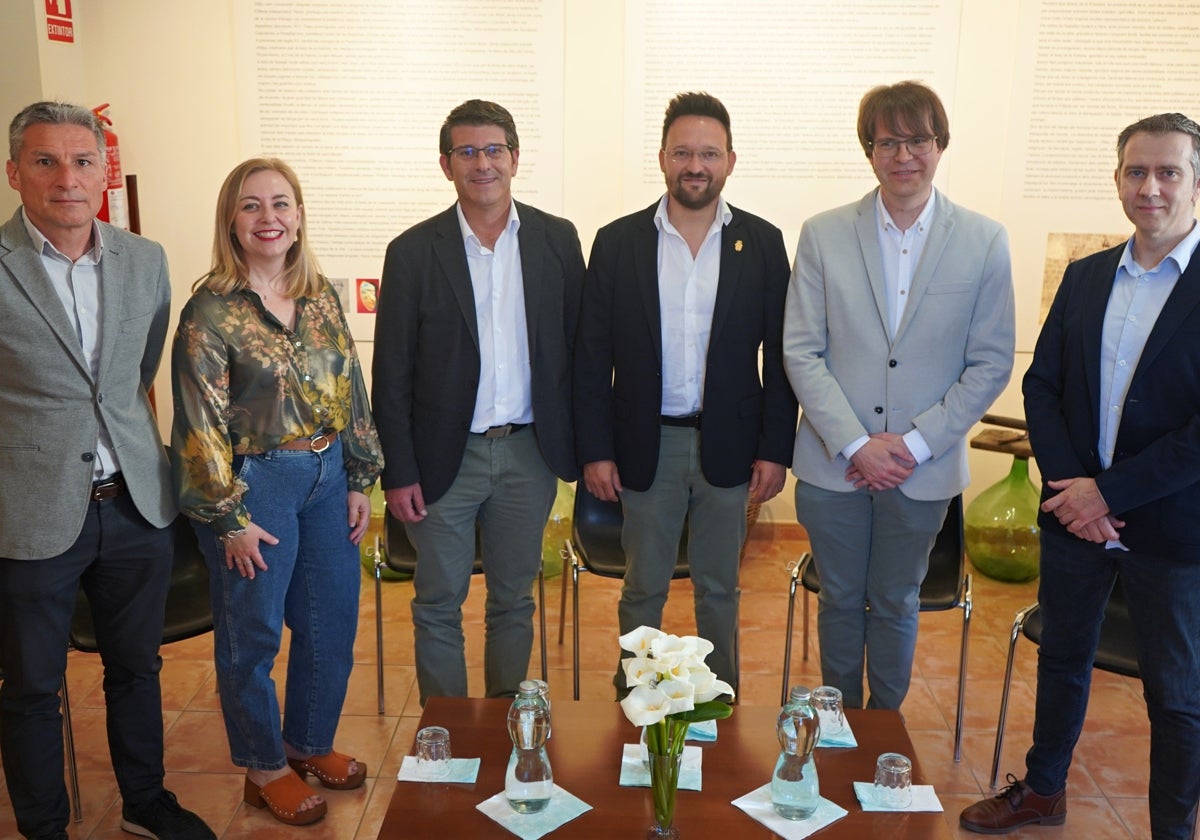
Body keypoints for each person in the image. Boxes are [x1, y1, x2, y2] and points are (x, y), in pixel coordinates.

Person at [961, 113, 1200, 839]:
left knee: (1178, 696)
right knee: (1064, 658)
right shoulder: (1087, 276)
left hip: (1172, 529)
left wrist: (1111, 493)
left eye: (1168, 172)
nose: (1150, 187)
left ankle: (1171, 829)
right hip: (1074, 518)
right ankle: (1043, 790)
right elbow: (1044, 388)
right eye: (1136, 171)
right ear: (1119, 180)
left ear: (1195, 182)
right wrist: (1075, 492)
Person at [0, 102, 214, 840]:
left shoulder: (144, 259)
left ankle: (144, 804)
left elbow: (135, 374)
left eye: (83, 162)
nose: (67, 179)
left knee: (136, 668)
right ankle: (44, 828)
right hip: (30, 513)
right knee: (29, 687)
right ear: (14, 172)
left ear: (104, 172)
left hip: (133, 505)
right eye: (46, 161)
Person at [784, 81, 1014, 710]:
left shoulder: (984, 240)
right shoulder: (823, 234)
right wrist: (856, 443)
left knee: (894, 601)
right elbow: (801, 349)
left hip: (925, 468)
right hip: (836, 467)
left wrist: (913, 443)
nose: (904, 154)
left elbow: (990, 361)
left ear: (940, 146)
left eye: (919, 139)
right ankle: (834, 729)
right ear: (870, 150)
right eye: (889, 141)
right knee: (837, 599)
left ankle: (884, 730)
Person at [171, 157, 384, 826]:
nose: (269, 218)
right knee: (253, 633)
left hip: (326, 477)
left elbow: (351, 389)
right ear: (231, 221)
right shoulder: (210, 308)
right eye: (252, 206)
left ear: (299, 216)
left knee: (329, 624)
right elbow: (198, 421)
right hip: (254, 483)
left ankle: (307, 745)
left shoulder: (320, 294)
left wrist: (358, 475)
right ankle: (264, 769)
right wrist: (227, 516)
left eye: (281, 204)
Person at [574, 91, 798, 694]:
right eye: (682, 152)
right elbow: (591, 357)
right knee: (643, 584)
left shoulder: (764, 242)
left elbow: (780, 358)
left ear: (730, 160)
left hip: (731, 444)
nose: (694, 165)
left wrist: (777, 450)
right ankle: (638, 698)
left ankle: (715, 700)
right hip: (647, 444)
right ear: (662, 158)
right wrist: (595, 450)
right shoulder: (618, 242)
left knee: (719, 587)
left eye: (708, 153)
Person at [372, 100, 584, 706]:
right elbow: (391, 375)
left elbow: (577, 351)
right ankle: (449, 736)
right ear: (446, 165)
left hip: (528, 455)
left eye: (493, 150)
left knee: (513, 600)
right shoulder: (413, 252)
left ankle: (505, 728)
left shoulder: (557, 240)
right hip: (446, 460)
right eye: (466, 152)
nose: (482, 163)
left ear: (514, 158)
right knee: (438, 602)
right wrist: (399, 471)